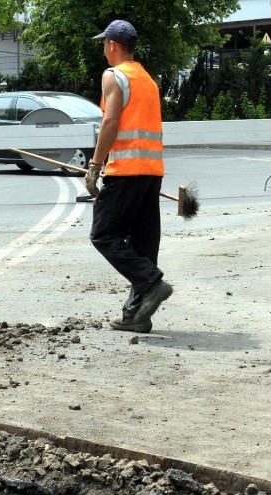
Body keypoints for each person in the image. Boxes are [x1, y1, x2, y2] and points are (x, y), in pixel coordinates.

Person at [86, 19, 172, 333]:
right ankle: (137, 315)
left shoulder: (114, 75)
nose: (104, 50)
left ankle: (151, 282)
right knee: (142, 245)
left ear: (112, 44)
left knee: (104, 234)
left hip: (126, 171)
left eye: (104, 44)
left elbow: (110, 123)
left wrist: (96, 165)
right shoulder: (147, 79)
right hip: (151, 171)